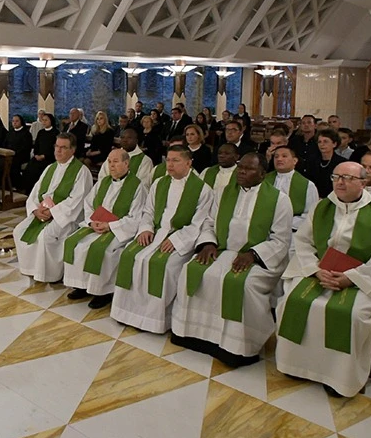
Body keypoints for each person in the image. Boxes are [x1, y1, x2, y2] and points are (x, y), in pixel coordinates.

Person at [276, 162, 371, 397]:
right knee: (292, 301)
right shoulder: (322, 207)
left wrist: (350, 278)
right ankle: (298, 365)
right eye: (336, 177)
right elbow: (303, 241)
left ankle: (338, 377)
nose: (340, 182)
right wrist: (314, 269)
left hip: (361, 279)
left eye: (347, 178)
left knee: (350, 314)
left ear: (363, 183)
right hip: (320, 272)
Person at [172, 153, 292, 367]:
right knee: (191, 270)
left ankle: (237, 347)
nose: (242, 172)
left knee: (241, 284)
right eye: (240, 167)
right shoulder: (224, 192)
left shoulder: (279, 200)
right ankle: (192, 335)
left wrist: (253, 254)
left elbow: (280, 239)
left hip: (257, 257)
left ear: (263, 174)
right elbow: (209, 222)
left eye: (249, 169)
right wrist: (208, 243)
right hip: (222, 250)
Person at [112, 145, 213, 333]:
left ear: (189, 163)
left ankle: (153, 320)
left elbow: (199, 223)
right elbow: (148, 210)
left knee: (163, 265)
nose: (170, 164)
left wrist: (177, 240)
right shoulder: (159, 183)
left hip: (181, 238)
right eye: (168, 160)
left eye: (176, 160)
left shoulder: (202, 189)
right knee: (130, 256)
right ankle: (128, 313)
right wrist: (145, 229)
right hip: (155, 233)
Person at [63, 149, 147, 309]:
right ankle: (81, 285)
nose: (111, 165)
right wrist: (91, 222)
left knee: (103, 251)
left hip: (118, 230)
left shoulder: (137, 186)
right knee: (76, 244)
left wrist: (110, 225)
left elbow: (135, 217)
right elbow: (88, 204)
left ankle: (102, 292)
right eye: (109, 161)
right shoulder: (103, 182)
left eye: (115, 161)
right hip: (96, 226)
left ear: (126, 163)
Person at [13, 132, 93, 283]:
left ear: (73, 150)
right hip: (43, 213)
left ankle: (49, 275)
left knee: (46, 236)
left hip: (66, 218)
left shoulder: (82, 172)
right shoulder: (50, 168)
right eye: (57, 146)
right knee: (19, 231)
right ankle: (30, 268)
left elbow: (76, 200)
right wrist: (36, 210)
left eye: (63, 147)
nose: (58, 150)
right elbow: (35, 192)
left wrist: (52, 212)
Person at [265, 146, 319, 233]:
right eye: (276, 156)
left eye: (284, 156)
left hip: (292, 231)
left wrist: (284, 223)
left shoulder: (307, 185)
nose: (279, 159)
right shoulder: (264, 181)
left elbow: (311, 214)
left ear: (295, 161)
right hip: (264, 228)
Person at [21, 113, 59, 192]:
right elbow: (36, 146)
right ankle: (28, 190)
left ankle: (39, 191)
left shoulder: (56, 133)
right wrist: (36, 155)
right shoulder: (41, 132)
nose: (44, 122)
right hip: (38, 157)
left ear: (51, 121)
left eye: (46, 120)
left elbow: (55, 148)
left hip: (49, 158)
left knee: (39, 170)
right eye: (43, 120)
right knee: (30, 168)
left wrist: (44, 156)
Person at [308, 129, 347, 198]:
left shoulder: (342, 163)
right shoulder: (312, 161)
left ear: (334, 144)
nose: (322, 144)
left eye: (325, 141)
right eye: (319, 142)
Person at [5, 114, 33, 191]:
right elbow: (6, 144)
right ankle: (5, 184)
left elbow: (26, 148)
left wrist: (14, 154)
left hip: (21, 156)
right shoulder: (10, 132)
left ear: (21, 122)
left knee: (13, 163)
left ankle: (17, 185)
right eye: (13, 121)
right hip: (9, 155)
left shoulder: (26, 134)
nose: (14, 123)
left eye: (17, 121)